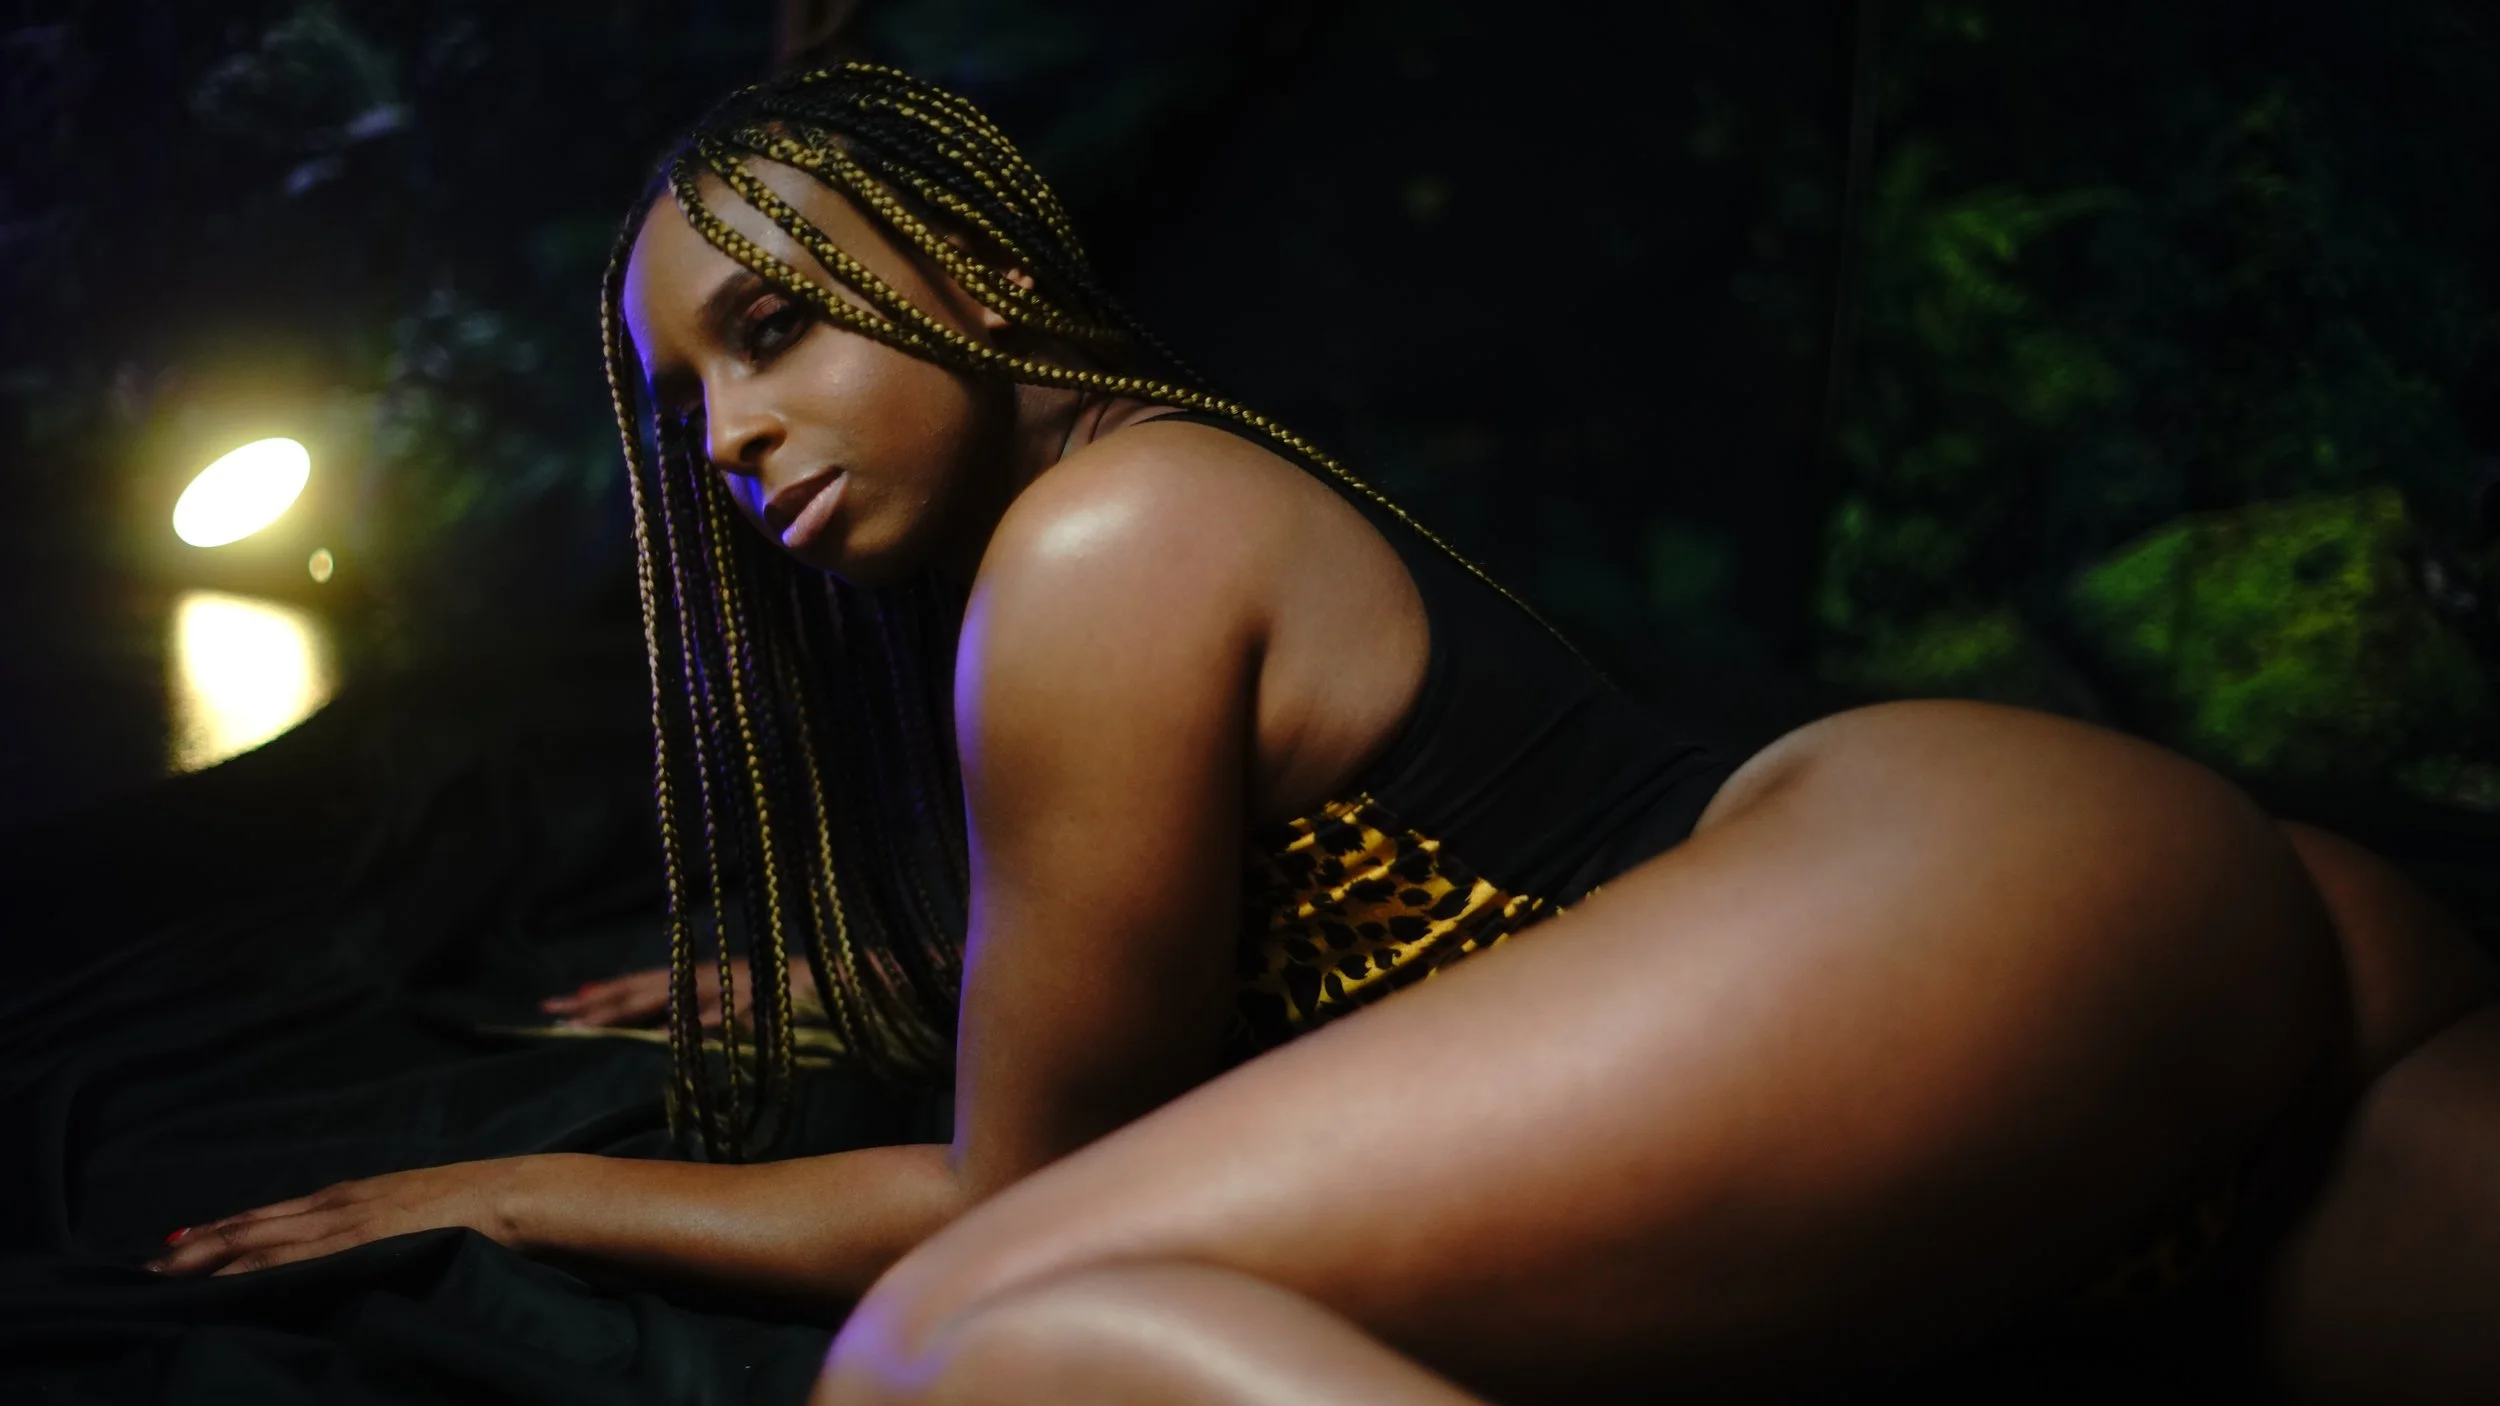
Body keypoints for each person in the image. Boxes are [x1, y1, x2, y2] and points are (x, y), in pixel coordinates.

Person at [146, 63, 2500, 1404]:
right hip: (2219, 1004)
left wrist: (525, 1186)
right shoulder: (1148, 511)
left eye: (773, 330)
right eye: (689, 399)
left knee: (949, 1354)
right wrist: (889, 996)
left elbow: (1007, 1202)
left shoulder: (1102, 548)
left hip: (1974, 892)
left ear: (966, 273)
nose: (734, 434)